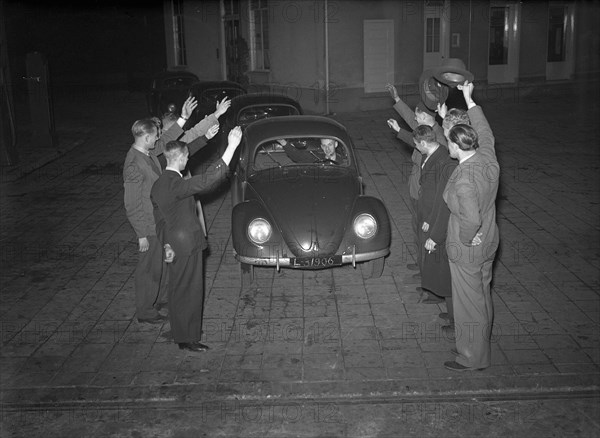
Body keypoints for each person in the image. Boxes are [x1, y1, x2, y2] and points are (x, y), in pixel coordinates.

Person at [123, 98, 216, 324]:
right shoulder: (134, 164)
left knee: (164, 264)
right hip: (148, 225)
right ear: (145, 137)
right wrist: (141, 234)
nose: (158, 138)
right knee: (149, 269)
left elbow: (168, 139)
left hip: (161, 221)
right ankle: (145, 311)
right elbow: (132, 203)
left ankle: (159, 301)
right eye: (155, 136)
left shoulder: (148, 152)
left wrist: (184, 118)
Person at [150, 127, 243, 352]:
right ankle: (188, 338)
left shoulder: (161, 182)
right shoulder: (177, 185)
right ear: (180, 159)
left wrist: (205, 138)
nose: (188, 159)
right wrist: (231, 147)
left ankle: (181, 332)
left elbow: (161, 219)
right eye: (186, 157)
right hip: (185, 244)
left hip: (172, 242)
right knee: (190, 290)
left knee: (177, 288)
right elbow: (209, 179)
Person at [442, 81, 499, 372]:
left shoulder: (464, 178)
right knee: (482, 294)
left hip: (469, 247)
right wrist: (470, 100)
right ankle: (479, 343)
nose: (446, 145)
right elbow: (486, 131)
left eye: (447, 141)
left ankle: (471, 356)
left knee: (468, 304)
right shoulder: (487, 156)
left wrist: (466, 239)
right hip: (490, 238)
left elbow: (471, 219)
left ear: (455, 146)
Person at [385, 83, 447, 300]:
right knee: (417, 230)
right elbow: (413, 123)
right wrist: (397, 100)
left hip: (426, 193)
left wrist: (400, 131)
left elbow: (415, 133)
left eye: (417, 116)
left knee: (427, 234)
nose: (414, 119)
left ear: (427, 118)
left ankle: (430, 286)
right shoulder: (427, 127)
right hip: (416, 187)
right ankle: (422, 264)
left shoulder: (437, 137)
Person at [412, 125, 457, 326]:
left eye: (416, 144)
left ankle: (455, 318)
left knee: (443, 270)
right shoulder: (429, 155)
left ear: (423, 143)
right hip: (428, 215)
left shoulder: (443, 161)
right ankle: (436, 294)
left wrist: (431, 222)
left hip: (435, 220)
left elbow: (441, 199)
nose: (415, 147)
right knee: (435, 265)